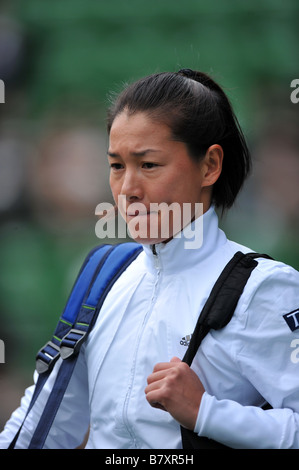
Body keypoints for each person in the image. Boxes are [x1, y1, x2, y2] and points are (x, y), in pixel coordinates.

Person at [1, 69, 299, 449]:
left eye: (148, 165)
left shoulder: (264, 288)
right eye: (116, 166)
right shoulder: (102, 273)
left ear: (209, 165)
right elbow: (45, 425)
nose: (127, 189)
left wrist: (205, 412)